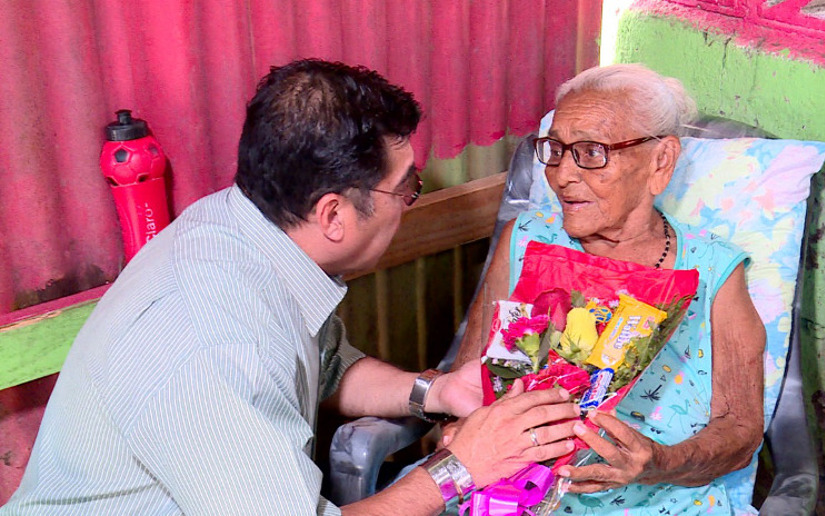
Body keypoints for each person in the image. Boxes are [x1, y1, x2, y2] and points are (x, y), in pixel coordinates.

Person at [0, 60, 580, 515]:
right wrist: (462, 467)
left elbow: (320, 365)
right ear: (333, 215)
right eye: (407, 189)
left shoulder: (245, 229)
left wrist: (435, 392)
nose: (411, 201)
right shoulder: (213, 342)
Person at [445, 64, 766, 515]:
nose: (561, 175)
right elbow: (471, 384)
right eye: (555, 149)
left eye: (592, 151)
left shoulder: (714, 270)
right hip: (513, 494)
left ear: (660, 162)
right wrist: (465, 433)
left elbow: (740, 432)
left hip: (662, 500)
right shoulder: (525, 239)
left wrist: (657, 462)